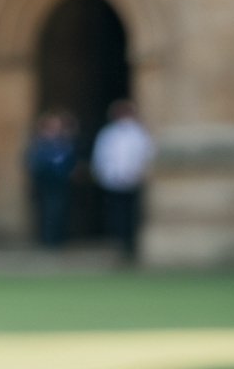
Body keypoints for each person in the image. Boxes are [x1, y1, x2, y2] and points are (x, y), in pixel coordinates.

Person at [91, 99, 155, 262]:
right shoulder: (108, 133)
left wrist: (138, 173)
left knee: (132, 214)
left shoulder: (139, 133)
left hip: (134, 181)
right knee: (116, 214)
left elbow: (146, 156)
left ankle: (131, 246)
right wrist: (105, 175)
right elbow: (101, 156)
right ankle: (118, 244)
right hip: (113, 182)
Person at [23, 110, 78, 248]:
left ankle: (58, 239)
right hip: (45, 182)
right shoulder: (39, 144)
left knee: (59, 210)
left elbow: (70, 161)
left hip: (60, 183)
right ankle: (48, 239)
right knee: (47, 211)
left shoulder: (64, 143)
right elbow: (33, 163)